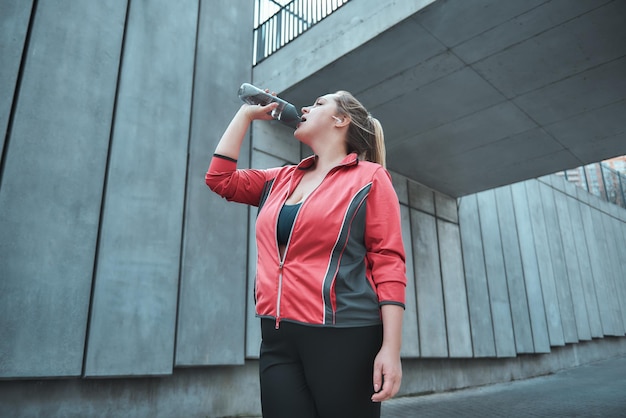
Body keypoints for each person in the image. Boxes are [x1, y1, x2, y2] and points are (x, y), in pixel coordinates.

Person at [206, 88, 407, 418]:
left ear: (340, 120)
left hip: (345, 336)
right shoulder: (281, 178)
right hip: (277, 334)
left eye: (318, 104)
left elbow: (388, 261)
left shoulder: (370, 178)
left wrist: (391, 348)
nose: (304, 107)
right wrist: (245, 115)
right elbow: (220, 179)